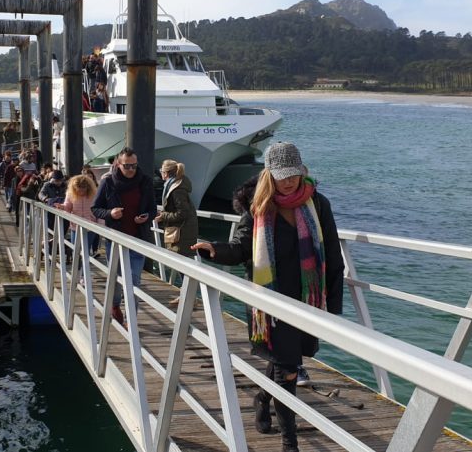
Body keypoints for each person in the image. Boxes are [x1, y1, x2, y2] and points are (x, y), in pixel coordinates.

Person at [190, 142, 344, 452]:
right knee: (287, 369)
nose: (289, 181)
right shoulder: (258, 207)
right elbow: (243, 248)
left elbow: (333, 256)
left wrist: (333, 309)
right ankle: (290, 444)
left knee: (286, 363)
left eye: (294, 175)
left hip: (306, 301)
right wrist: (215, 249)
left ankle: (262, 397)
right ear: (269, 175)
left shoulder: (318, 204)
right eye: (283, 176)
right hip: (269, 304)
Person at [91, 147, 156, 326]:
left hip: (138, 238)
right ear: (118, 164)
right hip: (115, 239)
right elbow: (95, 208)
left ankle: (131, 320)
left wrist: (146, 217)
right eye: (127, 166)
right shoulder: (108, 182)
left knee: (134, 280)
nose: (131, 170)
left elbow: (152, 209)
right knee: (117, 279)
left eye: (134, 166)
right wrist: (110, 213)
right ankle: (114, 305)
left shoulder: (145, 182)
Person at [154, 159, 199, 305]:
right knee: (182, 263)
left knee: (182, 264)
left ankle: (189, 297)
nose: (161, 173)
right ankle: (187, 295)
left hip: (182, 231)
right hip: (182, 229)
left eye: (162, 171)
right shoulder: (175, 185)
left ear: (165, 173)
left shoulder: (176, 189)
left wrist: (164, 216)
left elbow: (182, 213)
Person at [57, 174, 102, 261]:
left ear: (88, 187)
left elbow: (99, 208)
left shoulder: (94, 194)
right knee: (75, 249)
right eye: (78, 187)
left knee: (86, 250)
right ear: (74, 187)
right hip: (75, 226)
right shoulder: (70, 194)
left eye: (83, 187)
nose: (81, 189)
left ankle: (84, 272)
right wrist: (62, 207)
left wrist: (100, 224)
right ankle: (77, 270)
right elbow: (68, 206)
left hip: (91, 226)